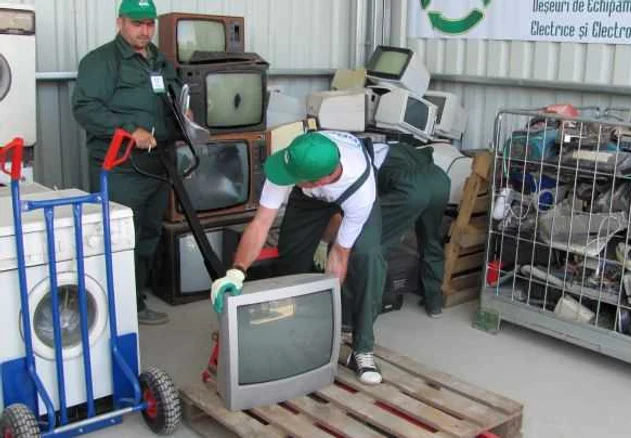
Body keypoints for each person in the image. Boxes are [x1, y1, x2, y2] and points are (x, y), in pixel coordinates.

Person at [210, 131, 450, 385]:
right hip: (309, 199)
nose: (282, 177)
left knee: (369, 256)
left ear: (317, 181)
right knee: (291, 256)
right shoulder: (296, 161)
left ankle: (362, 348)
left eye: (293, 178)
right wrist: (237, 271)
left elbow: (340, 253)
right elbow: (261, 223)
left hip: (347, 192)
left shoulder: (361, 188)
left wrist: (328, 309)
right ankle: (288, 331)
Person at [72, 0, 181, 325]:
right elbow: (85, 108)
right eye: (137, 24)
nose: (145, 30)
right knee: (119, 238)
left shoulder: (159, 60)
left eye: (149, 24)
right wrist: (128, 132)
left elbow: (172, 97)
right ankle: (110, 312)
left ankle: (133, 304)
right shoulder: (101, 61)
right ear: (120, 22)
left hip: (157, 164)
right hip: (120, 167)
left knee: (148, 234)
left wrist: (182, 113)